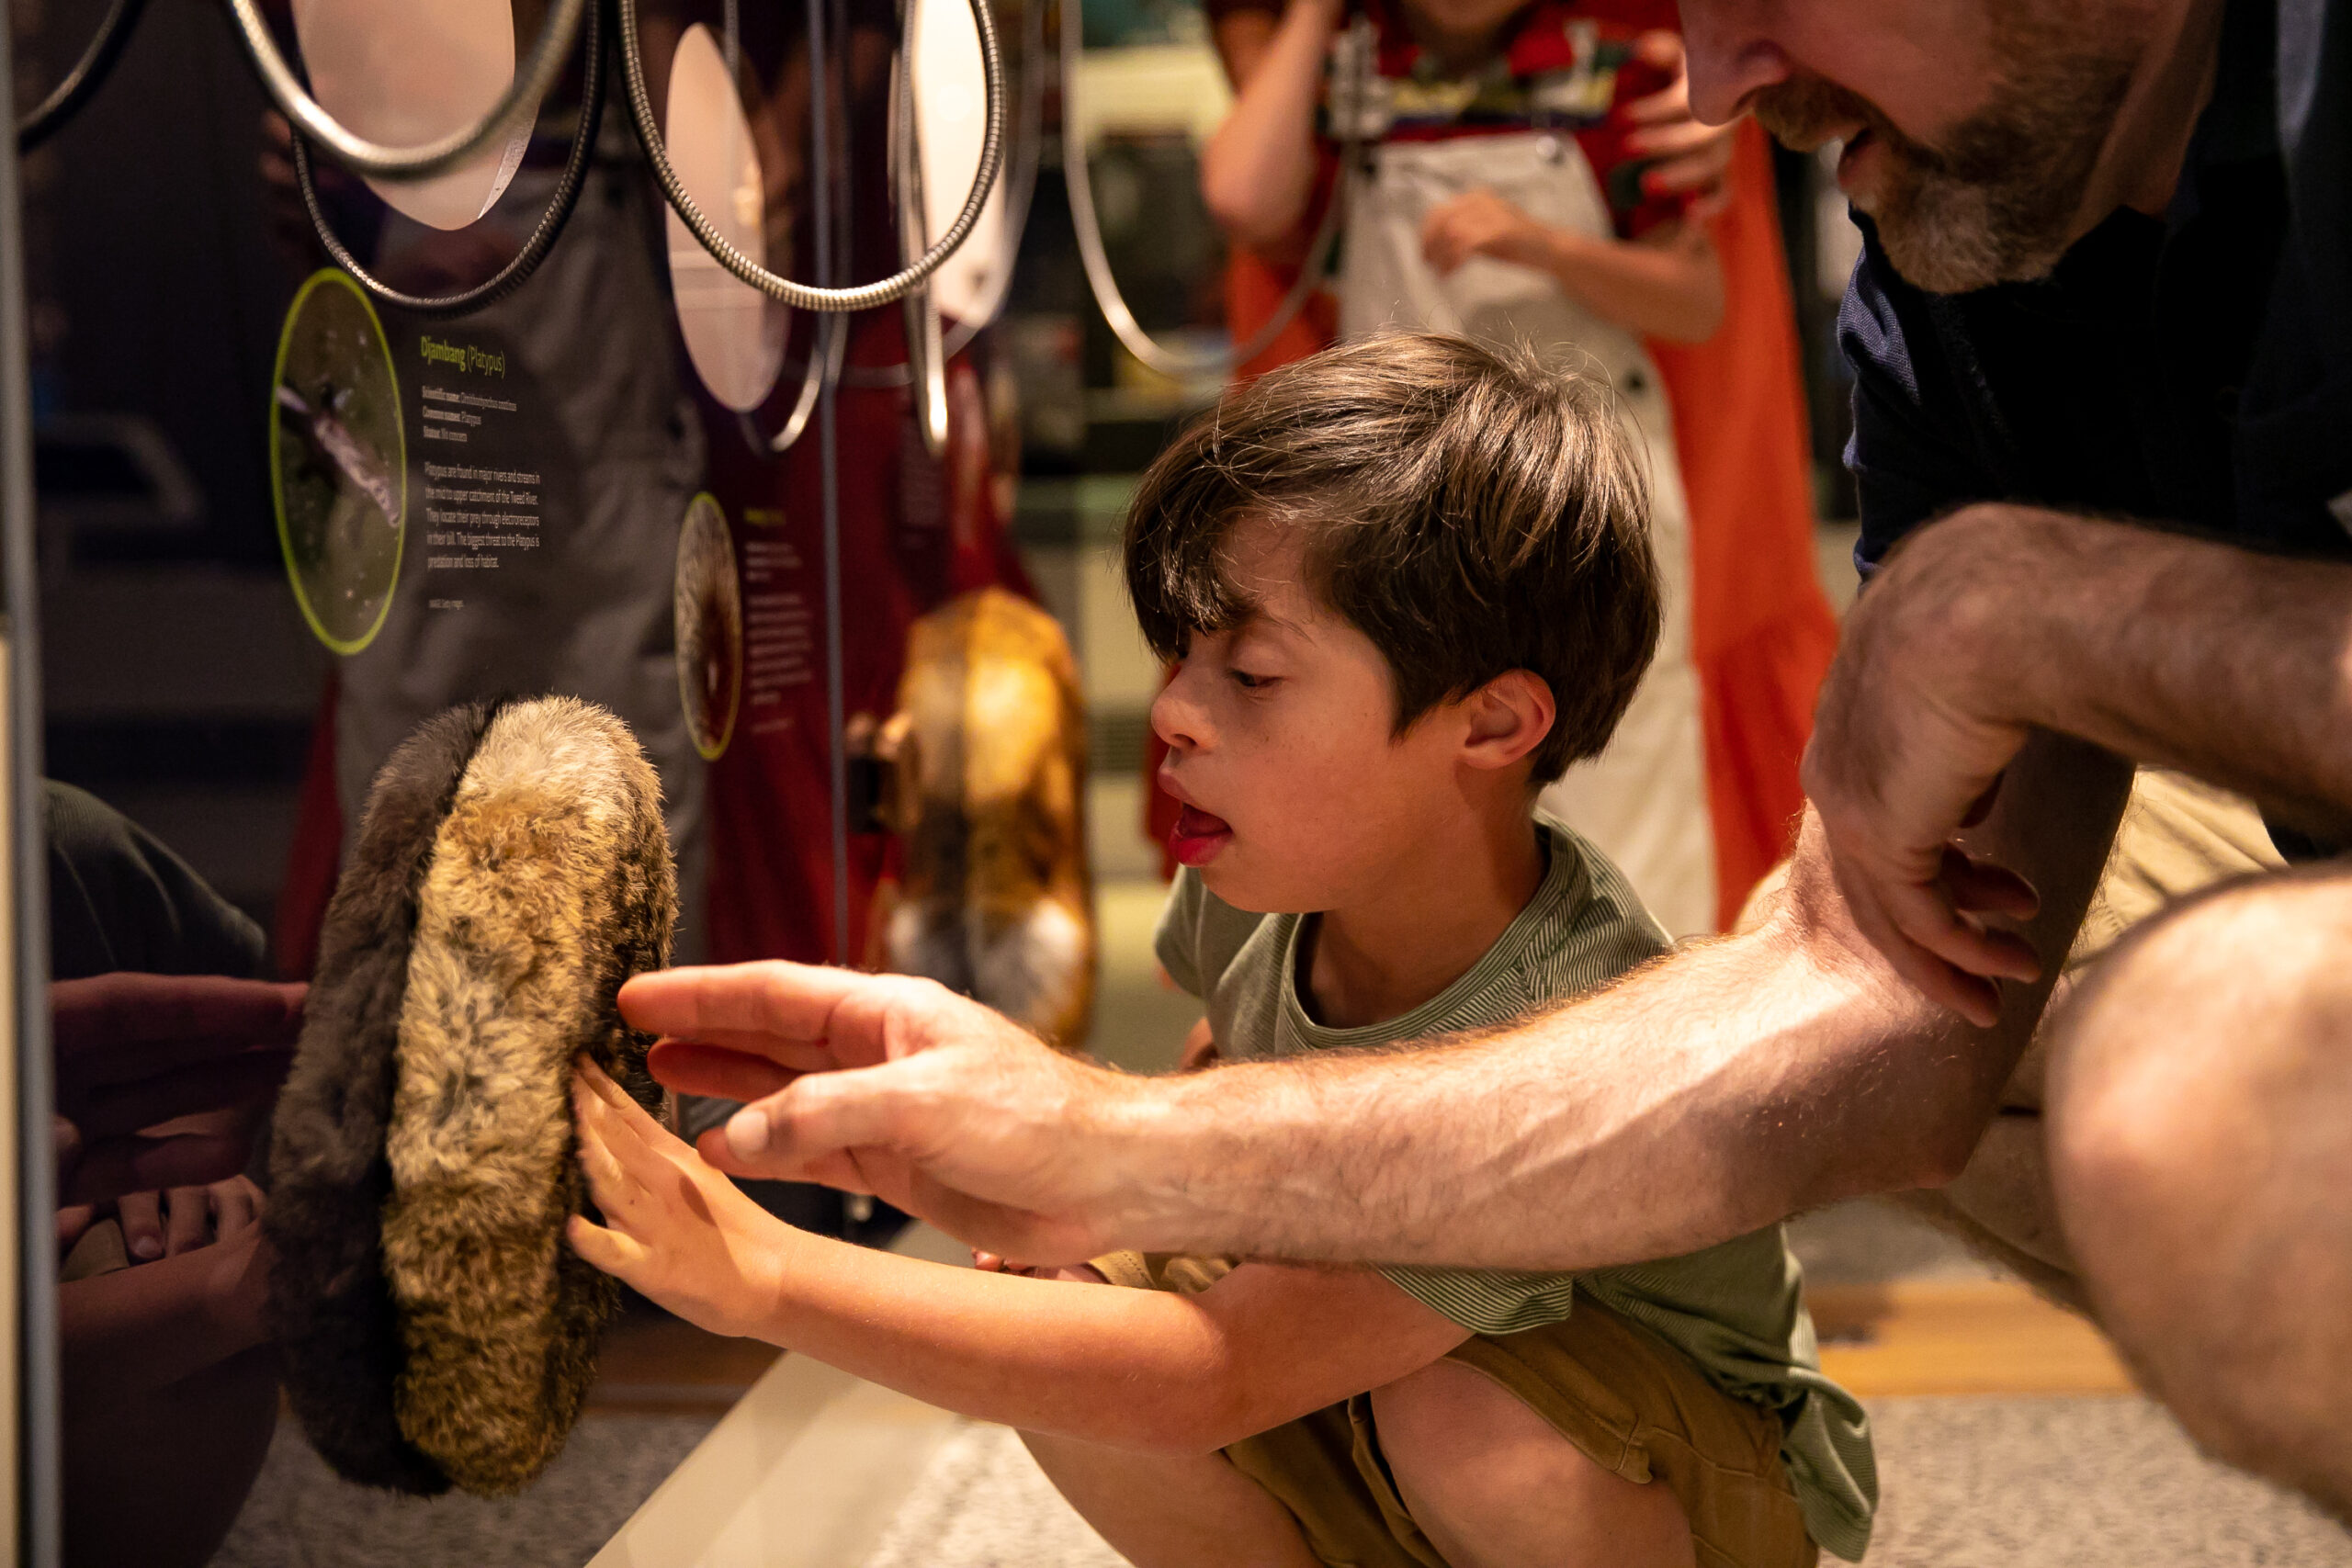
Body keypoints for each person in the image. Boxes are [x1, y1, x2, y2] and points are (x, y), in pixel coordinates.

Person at [605, 0, 2352, 1520]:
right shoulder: (1964, 264)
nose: (1716, 80)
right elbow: (1883, 1009)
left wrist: (2017, 610)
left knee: (2184, 1090)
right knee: (1963, 994)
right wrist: (1100, 1142)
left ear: (1499, 725)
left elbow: (1221, 1367)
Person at [574, 335, 1875, 1568]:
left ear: (1490, 724)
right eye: (1179, 658)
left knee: (1461, 1426)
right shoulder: (1267, 874)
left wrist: (768, 1275)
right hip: (1375, 1359)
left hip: (1683, 1470)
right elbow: (1220, 1079)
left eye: (1250, 675)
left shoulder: (1559, 1032)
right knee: (1052, 1304)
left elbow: (1218, 1374)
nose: (1175, 713)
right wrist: (944, 1165)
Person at [1197, 0, 1726, 934]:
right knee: (1410, 776)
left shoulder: (1609, 74)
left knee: (1621, 773)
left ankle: (1635, 1006)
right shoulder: (1349, 82)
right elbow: (1242, 194)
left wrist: (1541, 246)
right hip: (1401, 507)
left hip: (1591, 491)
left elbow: (1695, 300)